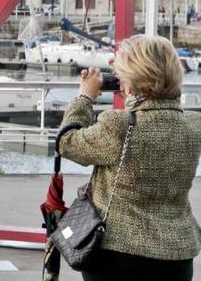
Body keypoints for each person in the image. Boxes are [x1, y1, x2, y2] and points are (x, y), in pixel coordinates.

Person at [58, 35, 201, 281]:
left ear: (132, 80)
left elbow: (67, 143)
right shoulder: (194, 124)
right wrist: (133, 95)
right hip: (176, 256)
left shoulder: (118, 124)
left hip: (117, 254)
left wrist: (84, 98)